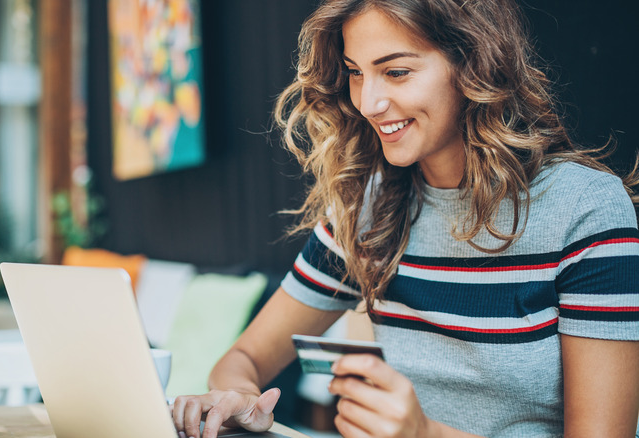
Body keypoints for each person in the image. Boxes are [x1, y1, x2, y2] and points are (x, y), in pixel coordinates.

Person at [171, 0, 639, 437]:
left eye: (396, 72)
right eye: (356, 72)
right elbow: (244, 358)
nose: (369, 102)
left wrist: (426, 433)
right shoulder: (366, 211)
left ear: (474, 65)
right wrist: (241, 398)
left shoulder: (585, 209)